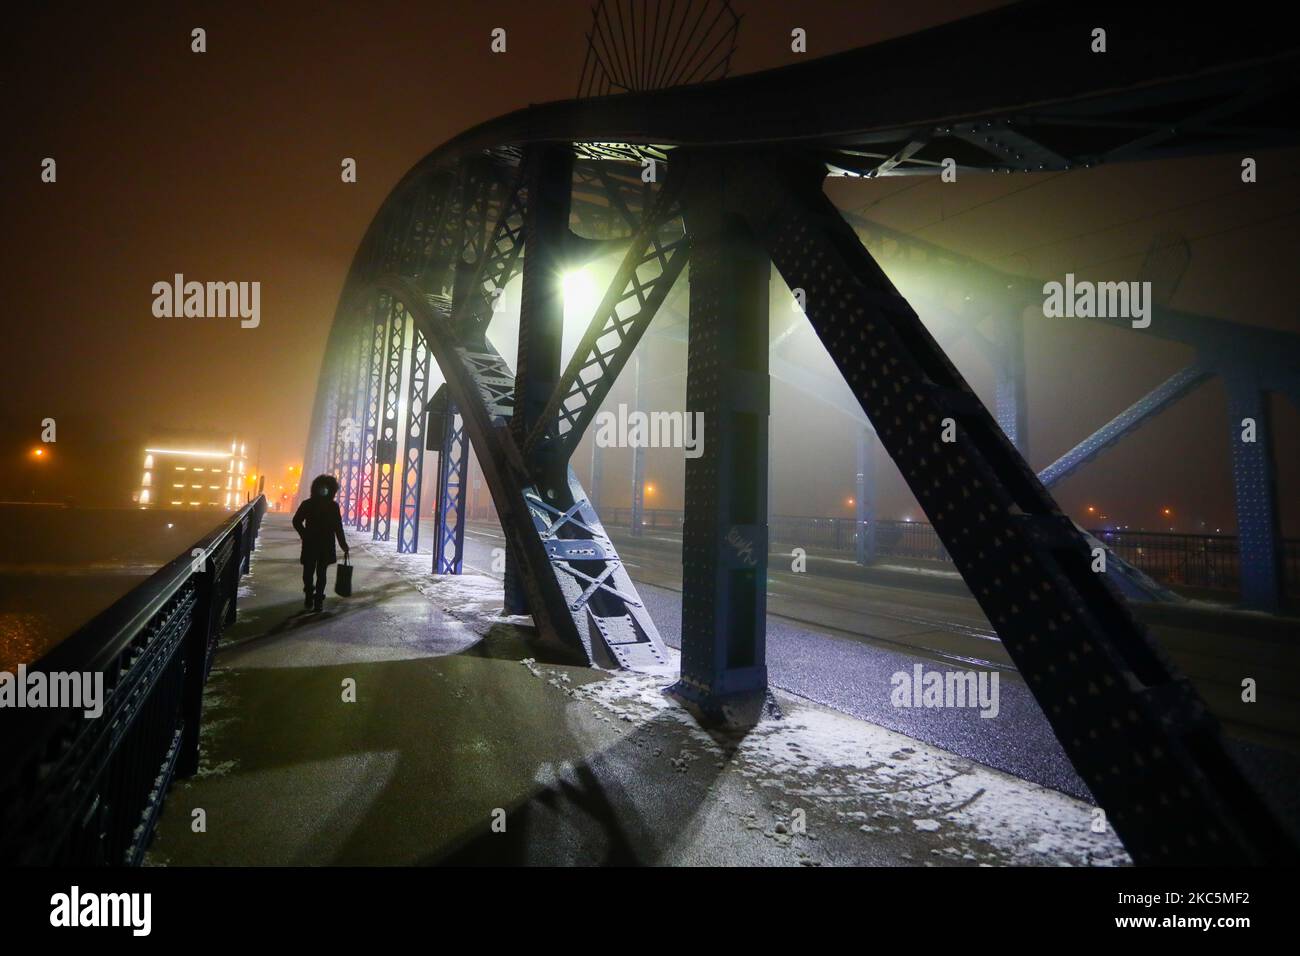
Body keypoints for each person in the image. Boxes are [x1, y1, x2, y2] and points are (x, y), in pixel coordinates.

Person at [292, 474, 349, 611]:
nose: (324, 491)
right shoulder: (329, 506)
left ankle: (314, 597)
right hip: (323, 543)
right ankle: (314, 596)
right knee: (316, 572)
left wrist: (304, 533)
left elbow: (297, 521)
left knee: (313, 571)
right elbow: (337, 527)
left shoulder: (310, 504)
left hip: (313, 543)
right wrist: (304, 534)